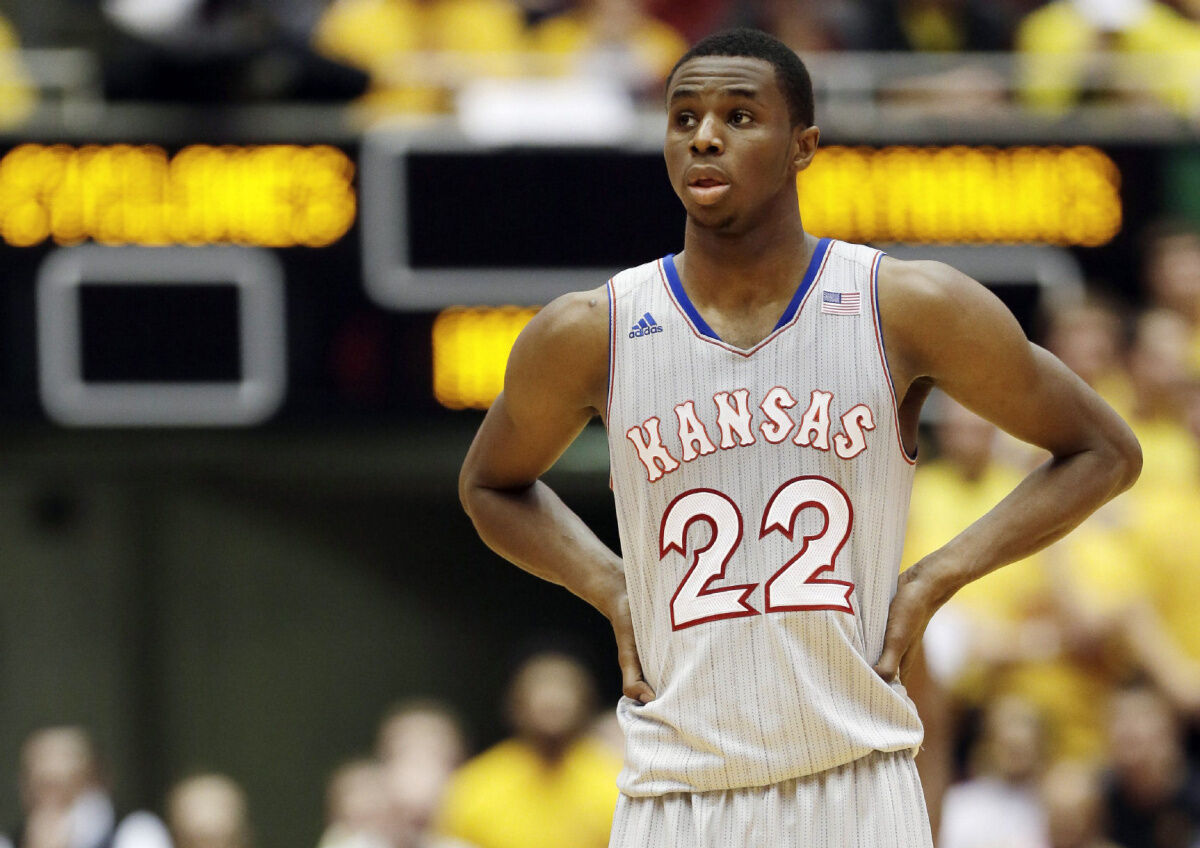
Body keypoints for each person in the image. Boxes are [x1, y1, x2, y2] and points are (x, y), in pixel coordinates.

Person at [458, 27, 1141, 846]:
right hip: (678, 795)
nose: (704, 136)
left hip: (856, 782)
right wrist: (608, 585)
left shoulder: (904, 306)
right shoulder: (590, 330)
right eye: (684, 118)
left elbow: (1105, 450)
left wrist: (934, 576)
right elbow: (488, 484)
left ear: (802, 146)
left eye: (740, 116)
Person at [435, 652, 621, 848]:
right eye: (542, 690)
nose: (552, 701)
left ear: (587, 706)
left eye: (562, 690)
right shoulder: (475, 785)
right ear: (515, 707)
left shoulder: (614, 784)